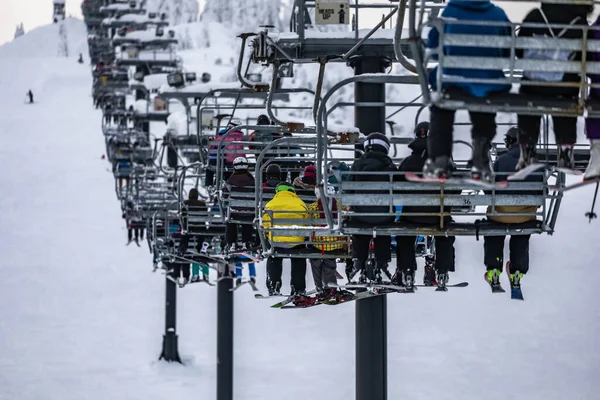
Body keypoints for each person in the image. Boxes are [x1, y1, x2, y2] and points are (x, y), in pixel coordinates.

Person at [425, 0, 511, 182]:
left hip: (454, 83)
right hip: (488, 84)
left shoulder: (450, 11)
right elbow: (507, 51)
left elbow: (433, 48)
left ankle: (440, 159)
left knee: (441, 108)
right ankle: (480, 158)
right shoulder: (498, 14)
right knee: (483, 102)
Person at [516, 3, 592, 170]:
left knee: (527, 99)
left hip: (533, 85)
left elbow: (518, 50)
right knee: (567, 97)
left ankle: (527, 150)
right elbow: (585, 58)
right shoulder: (580, 23)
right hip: (564, 88)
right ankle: (565, 151)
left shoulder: (535, 15)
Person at [395, 122, 456, 290]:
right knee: (445, 235)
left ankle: (407, 271)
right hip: (439, 217)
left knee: (404, 237)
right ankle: (442, 271)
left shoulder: (407, 163)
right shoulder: (445, 162)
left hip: (411, 216)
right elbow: (456, 188)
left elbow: (397, 188)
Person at [484, 127, 541, 290]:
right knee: (521, 232)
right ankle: (517, 272)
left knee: (494, 231)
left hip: (500, 214)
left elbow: (489, 189)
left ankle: (493, 270)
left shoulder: (501, 161)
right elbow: (543, 192)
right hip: (525, 215)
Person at [349, 132, 397, 280]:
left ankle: (359, 263)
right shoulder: (390, 166)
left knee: (359, 229)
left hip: (361, 215)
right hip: (384, 216)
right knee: (384, 231)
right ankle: (382, 264)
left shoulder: (357, 165)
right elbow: (397, 190)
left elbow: (348, 190)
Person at [262, 182, 309, 296]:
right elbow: (307, 224)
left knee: (274, 256)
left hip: (276, 242)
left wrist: (269, 236)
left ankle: (274, 285)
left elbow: (265, 225)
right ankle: (298, 288)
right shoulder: (301, 204)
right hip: (296, 242)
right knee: (299, 259)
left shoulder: (270, 205)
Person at [307, 189, 346, 295]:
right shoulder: (340, 206)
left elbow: (309, 226)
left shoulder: (312, 207)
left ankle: (319, 287)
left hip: (319, 244)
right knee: (329, 262)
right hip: (335, 244)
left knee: (315, 261)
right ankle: (330, 286)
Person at [178, 188, 210, 284]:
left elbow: (182, 215)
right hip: (200, 228)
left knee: (185, 236)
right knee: (201, 238)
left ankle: (182, 249)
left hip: (190, 228)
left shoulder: (185, 203)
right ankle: (200, 250)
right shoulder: (202, 204)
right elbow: (205, 215)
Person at [224, 157, 256, 252]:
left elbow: (225, 195)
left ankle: (231, 242)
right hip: (249, 212)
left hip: (234, 212)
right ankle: (246, 242)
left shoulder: (230, 180)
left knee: (230, 219)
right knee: (247, 217)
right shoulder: (252, 180)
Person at [584, 14, 600, 180]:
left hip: (599, 89)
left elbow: (587, 64)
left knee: (594, 109)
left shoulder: (594, 30)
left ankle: (597, 157)